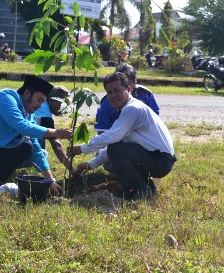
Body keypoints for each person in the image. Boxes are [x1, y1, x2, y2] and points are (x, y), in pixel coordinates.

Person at [71, 72, 176, 201]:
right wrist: (91, 164)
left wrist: (82, 149)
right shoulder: (127, 110)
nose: (113, 96)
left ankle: (138, 189)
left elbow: (112, 138)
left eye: (117, 91)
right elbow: (117, 143)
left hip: (160, 161)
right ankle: (147, 187)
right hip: (159, 159)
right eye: (109, 92)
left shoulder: (133, 108)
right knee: (117, 149)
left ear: (129, 89)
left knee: (116, 149)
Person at [94, 63, 160, 134]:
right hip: (116, 139)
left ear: (134, 83)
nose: (114, 95)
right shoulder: (106, 102)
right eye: (119, 84)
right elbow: (102, 131)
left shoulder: (145, 95)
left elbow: (154, 124)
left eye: (126, 83)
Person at [31, 85, 71, 170]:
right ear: (51, 100)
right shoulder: (45, 116)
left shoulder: (40, 105)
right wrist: (71, 168)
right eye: (63, 103)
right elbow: (56, 144)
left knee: (43, 134)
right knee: (43, 137)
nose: (64, 107)